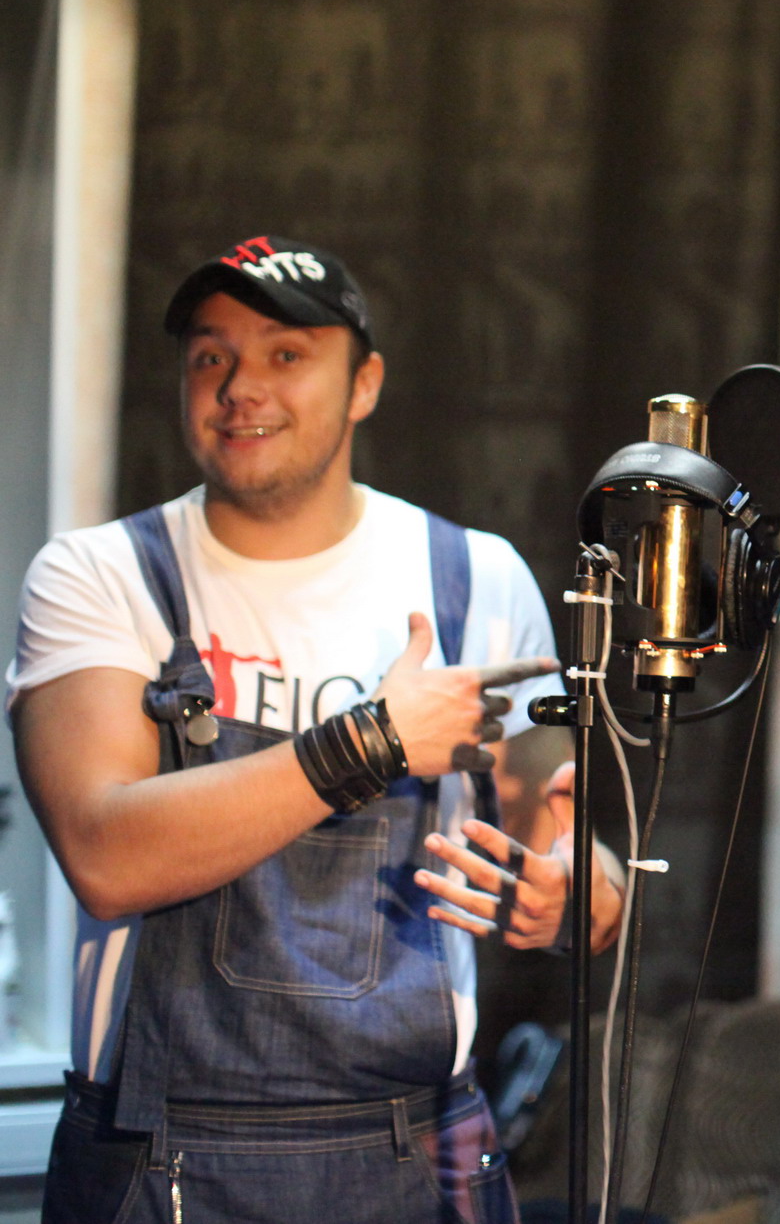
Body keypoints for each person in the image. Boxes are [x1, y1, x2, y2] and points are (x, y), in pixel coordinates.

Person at [6, 235, 624, 1223]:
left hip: (418, 1156)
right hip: (159, 1160)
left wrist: (580, 895)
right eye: (211, 356)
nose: (240, 386)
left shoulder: (475, 579)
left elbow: (558, 835)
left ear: (365, 382)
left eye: (285, 353)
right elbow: (105, 851)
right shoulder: (101, 577)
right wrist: (372, 739)